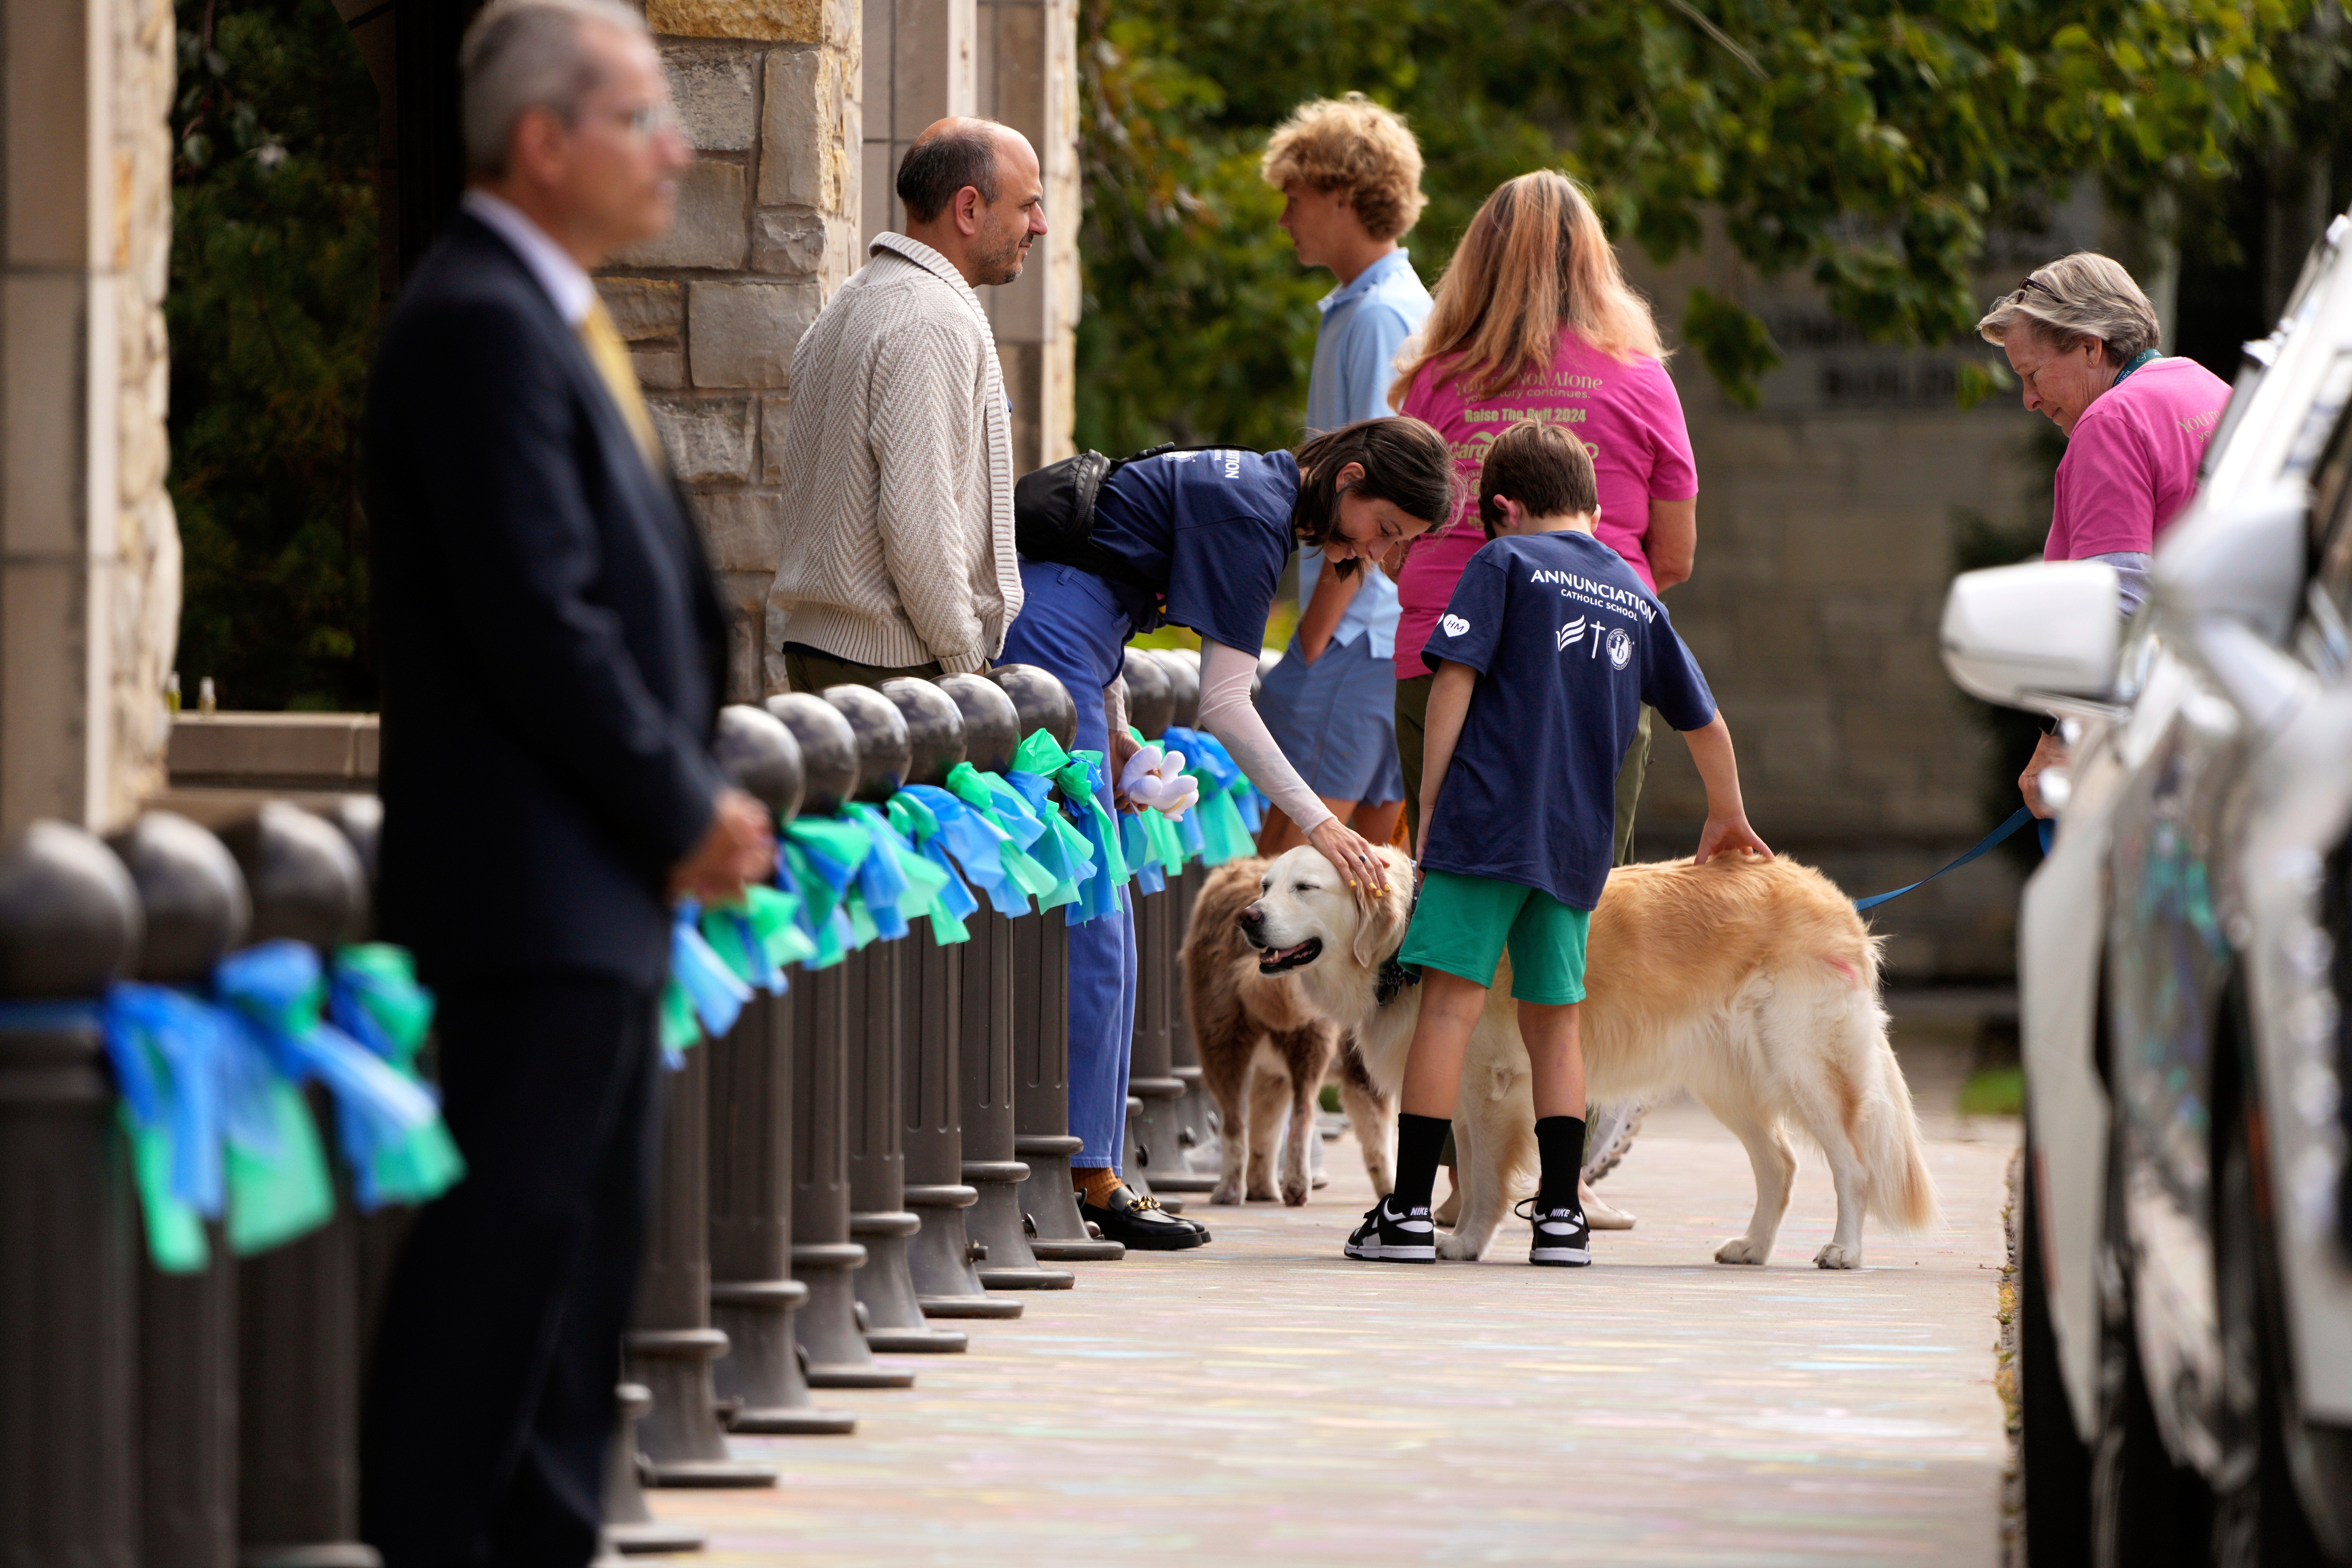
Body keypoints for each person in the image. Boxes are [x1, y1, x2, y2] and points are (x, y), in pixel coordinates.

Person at [359, 4, 775, 1564]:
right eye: (642, 116)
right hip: (532, 889)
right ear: (545, 139)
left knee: (574, 1281)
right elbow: (539, 614)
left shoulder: (550, 313)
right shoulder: (478, 318)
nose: (676, 149)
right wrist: (682, 804)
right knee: (502, 1272)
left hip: (588, 885)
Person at [999, 417, 1456, 1247]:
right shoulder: (1255, 517)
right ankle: (1087, 1177)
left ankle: (1087, 1164)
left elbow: (1104, 588)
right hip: (1059, 636)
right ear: (1349, 479)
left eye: (1401, 547)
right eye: (1386, 531)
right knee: (1097, 917)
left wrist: (1121, 731)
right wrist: (1321, 823)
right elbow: (1224, 704)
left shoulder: (1254, 489)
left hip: (1073, 636)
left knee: (1102, 913)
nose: (1382, 556)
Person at [1345, 419, 1769, 1268]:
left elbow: (1454, 683)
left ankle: (1406, 1215)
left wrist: (1430, 809)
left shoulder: (1501, 565)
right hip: (1577, 846)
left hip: (1484, 828)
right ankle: (1562, 1219)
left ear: (1502, 509)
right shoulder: (1634, 590)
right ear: (1596, 502)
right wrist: (1727, 814)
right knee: (1556, 1024)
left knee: (1450, 1008)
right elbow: (1706, 721)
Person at [1390, 170, 1697, 864]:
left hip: (1443, 659)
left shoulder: (1433, 382)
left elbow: (1396, 543)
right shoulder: (1643, 380)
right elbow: (1674, 558)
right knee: (1585, 911)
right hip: (1595, 660)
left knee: (1453, 905)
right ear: (1595, 265)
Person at [764, 117, 1047, 692]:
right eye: (1028, 207)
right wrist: (968, 663)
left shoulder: (854, 299)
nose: (1039, 226)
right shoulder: (931, 320)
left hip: (835, 654)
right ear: (968, 210)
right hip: (896, 670)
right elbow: (920, 525)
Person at [1974, 252, 2232, 817]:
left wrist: (2057, 741)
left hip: (2153, 761)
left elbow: (2114, 606)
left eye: (2033, 374)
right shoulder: (2212, 391)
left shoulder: (2109, 423)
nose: (2031, 400)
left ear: (2092, 346)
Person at [1252, 93, 1433, 855]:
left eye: (1295, 198)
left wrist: (1314, 643)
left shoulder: (1378, 317)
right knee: (1356, 892)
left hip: (1357, 639)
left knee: (1280, 878)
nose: (1286, 217)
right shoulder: (1369, 307)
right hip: (1371, 639)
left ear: (1341, 194)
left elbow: (1369, 502)